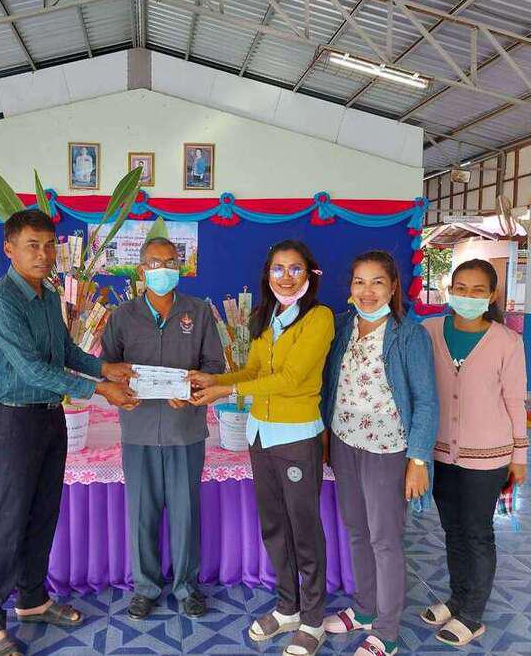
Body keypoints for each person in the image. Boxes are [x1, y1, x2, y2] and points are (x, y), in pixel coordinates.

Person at [0, 210, 138, 656]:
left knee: (43, 512)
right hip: (14, 420)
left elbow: (64, 352)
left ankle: (31, 600)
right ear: (9, 249)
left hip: (49, 417)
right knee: (9, 520)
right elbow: (32, 369)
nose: (44, 254)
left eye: (49, 245)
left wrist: (105, 368)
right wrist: (101, 389)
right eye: (32, 245)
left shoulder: (48, 296)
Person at [189, 240, 334, 656]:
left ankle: (313, 619)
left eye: (295, 268)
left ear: (310, 274)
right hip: (261, 437)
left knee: (304, 530)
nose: (286, 277)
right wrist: (212, 380)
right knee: (274, 526)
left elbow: (290, 379)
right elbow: (253, 370)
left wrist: (226, 390)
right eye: (277, 269)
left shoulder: (319, 318)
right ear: (267, 275)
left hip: (296, 438)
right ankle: (288, 607)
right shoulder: (265, 317)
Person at [319, 251, 439, 656]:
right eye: (359, 282)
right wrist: (325, 436)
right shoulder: (342, 327)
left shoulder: (409, 335)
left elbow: (426, 401)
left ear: (393, 287)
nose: (367, 291)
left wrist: (418, 459)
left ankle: (386, 632)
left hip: (388, 449)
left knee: (384, 539)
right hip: (344, 442)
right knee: (356, 530)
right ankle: (365, 608)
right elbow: (330, 385)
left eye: (377, 282)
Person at [100, 237, 225, 620]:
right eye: (155, 263)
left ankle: (187, 587)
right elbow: (107, 369)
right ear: (142, 270)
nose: (163, 269)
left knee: (185, 512)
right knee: (142, 513)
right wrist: (118, 389)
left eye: (170, 262)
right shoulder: (122, 316)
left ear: (180, 268)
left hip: (184, 429)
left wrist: (191, 391)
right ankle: (145, 587)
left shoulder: (198, 312)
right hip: (138, 429)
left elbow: (214, 367)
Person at [420, 259, 527, 648]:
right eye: (460, 288)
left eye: (478, 290)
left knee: (477, 532)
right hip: (440, 452)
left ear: (492, 295)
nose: (468, 296)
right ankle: (457, 599)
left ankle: (472, 614)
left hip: (488, 456)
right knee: (452, 530)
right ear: (450, 290)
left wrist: (520, 456)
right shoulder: (430, 330)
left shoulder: (507, 342)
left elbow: (515, 402)